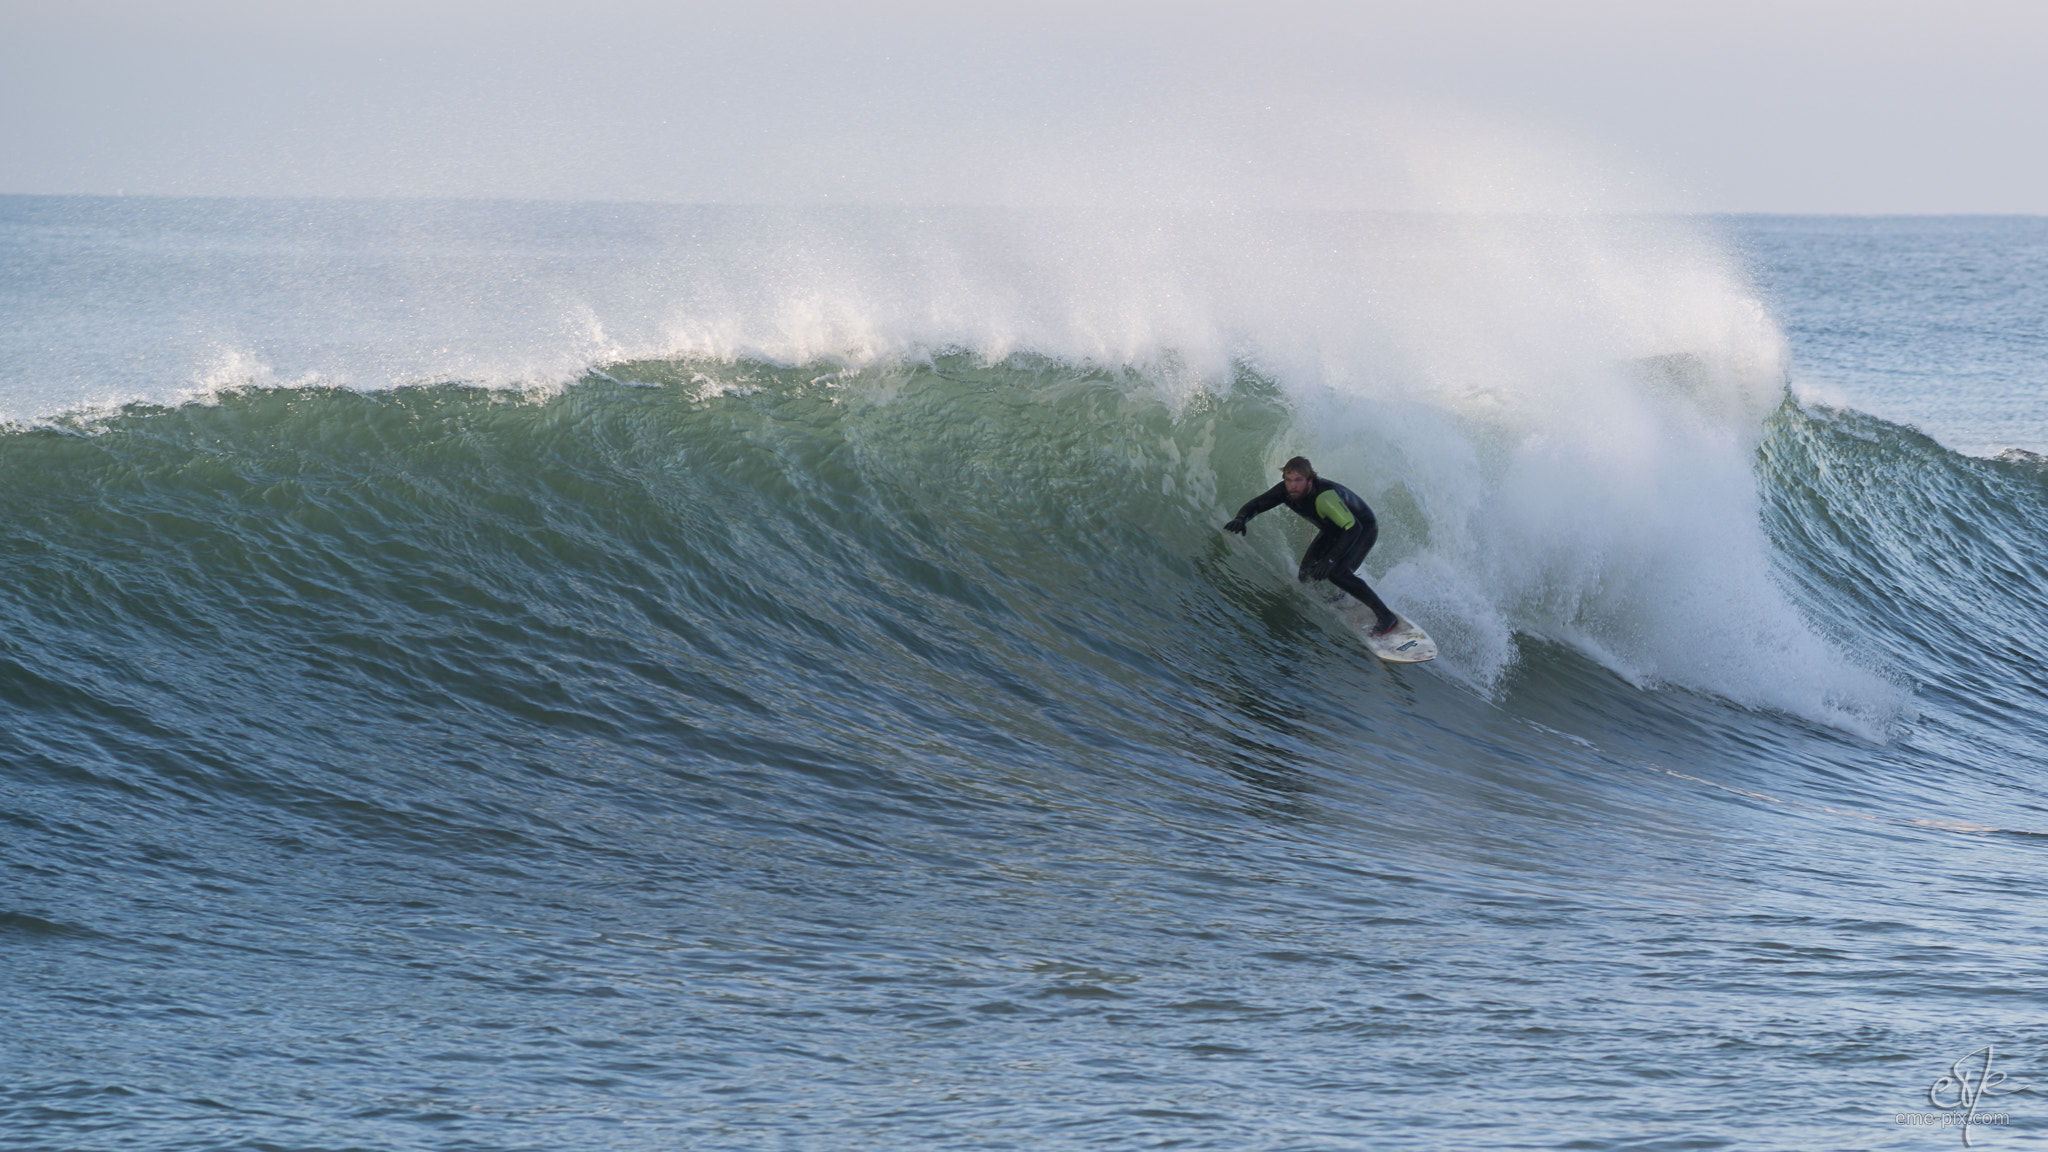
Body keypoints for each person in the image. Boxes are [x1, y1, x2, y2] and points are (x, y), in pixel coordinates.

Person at [1224, 456, 1402, 636]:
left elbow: (1353, 527)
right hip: (1333, 530)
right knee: (1305, 575)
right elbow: (1258, 503)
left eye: (1298, 480)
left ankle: (1385, 616)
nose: (1293, 485)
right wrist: (1241, 518)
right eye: (1288, 480)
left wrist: (1330, 559)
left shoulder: (1324, 497)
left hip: (1362, 529)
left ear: (1310, 480)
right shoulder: (1285, 491)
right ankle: (1338, 597)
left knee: (1336, 572)